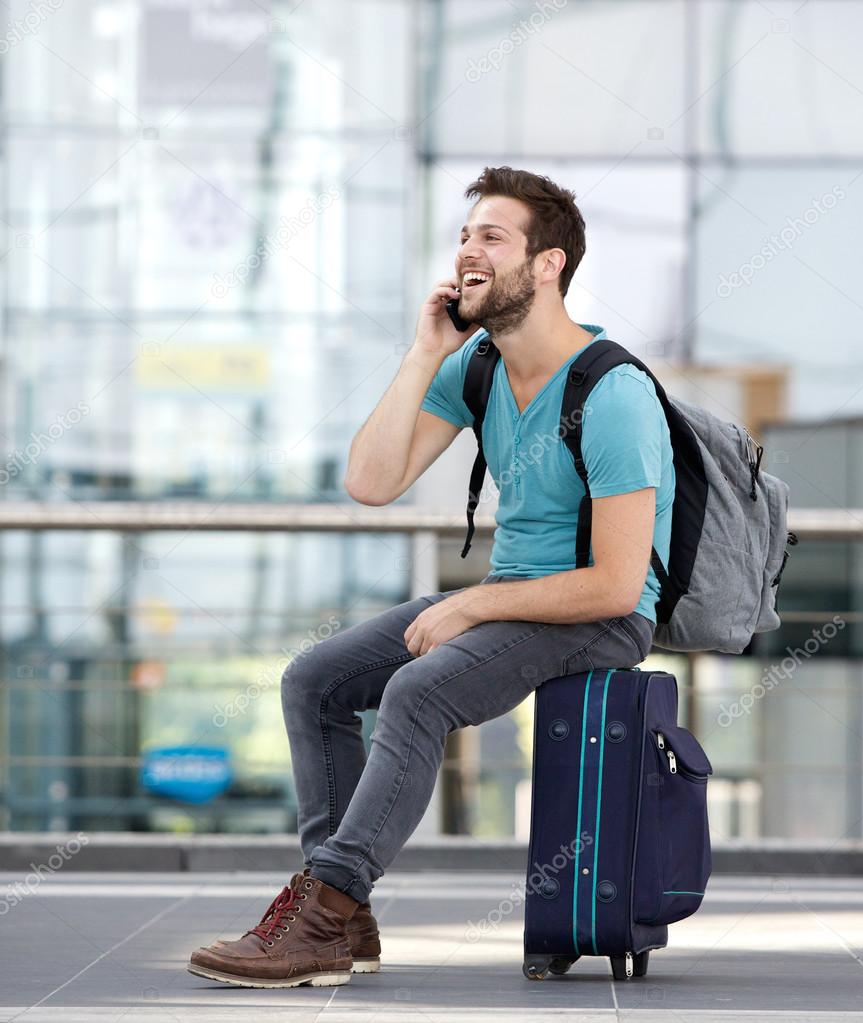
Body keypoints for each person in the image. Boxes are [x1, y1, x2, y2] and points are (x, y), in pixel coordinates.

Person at [188, 165, 676, 988]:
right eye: (462, 237)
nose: (465, 253)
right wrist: (424, 353)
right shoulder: (476, 366)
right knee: (315, 680)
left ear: (548, 264)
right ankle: (346, 924)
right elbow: (371, 481)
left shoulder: (612, 391)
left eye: (491, 236)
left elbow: (619, 585)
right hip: (512, 600)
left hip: (595, 612)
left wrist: (475, 603)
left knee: (418, 690)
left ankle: (321, 911)